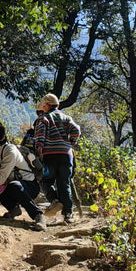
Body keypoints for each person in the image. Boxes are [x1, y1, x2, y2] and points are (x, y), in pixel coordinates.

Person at [0, 120, 47, 232]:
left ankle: (39, 216)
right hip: (10, 184)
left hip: (29, 186)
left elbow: (0, 179)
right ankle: (13, 208)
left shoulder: (9, 151)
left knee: (13, 185)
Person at [34, 93, 80, 223]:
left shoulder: (44, 118)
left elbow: (40, 138)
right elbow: (76, 130)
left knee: (44, 180)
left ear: (47, 105)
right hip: (66, 155)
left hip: (50, 156)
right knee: (64, 183)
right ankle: (68, 214)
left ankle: (54, 200)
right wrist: (71, 143)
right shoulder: (66, 117)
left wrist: (39, 151)